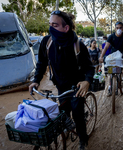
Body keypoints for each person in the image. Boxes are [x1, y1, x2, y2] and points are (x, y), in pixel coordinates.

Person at [29, 10, 94, 150]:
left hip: (77, 86)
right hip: (60, 85)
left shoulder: (78, 45)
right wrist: (36, 80)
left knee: (77, 114)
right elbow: (41, 63)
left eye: (55, 25)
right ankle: (66, 129)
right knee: (63, 112)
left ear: (66, 28)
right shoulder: (47, 42)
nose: (51, 28)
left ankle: (83, 140)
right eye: (50, 24)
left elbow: (89, 67)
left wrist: (87, 81)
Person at [99, 21, 123, 91]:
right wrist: (101, 56)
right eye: (117, 28)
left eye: (120, 28)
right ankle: (110, 85)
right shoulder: (111, 36)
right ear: (115, 29)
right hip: (113, 54)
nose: (118, 29)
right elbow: (106, 47)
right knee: (110, 69)